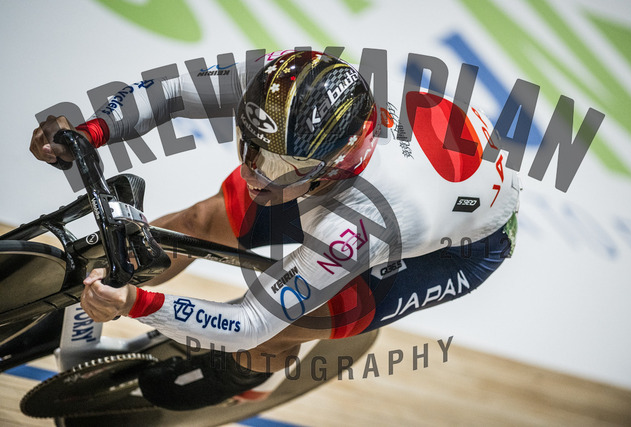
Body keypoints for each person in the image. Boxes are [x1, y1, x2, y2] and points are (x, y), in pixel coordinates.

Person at [30, 50, 520, 410]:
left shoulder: (366, 219)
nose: (255, 176)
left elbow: (251, 321)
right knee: (200, 223)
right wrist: (90, 132)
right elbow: (173, 90)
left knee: (281, 329)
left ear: (335, 165)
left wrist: (137, 304)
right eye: (252, 148)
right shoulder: (283, 84)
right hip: (385, 174)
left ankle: (245, 383)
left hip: (460, 246)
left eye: (281, 167)